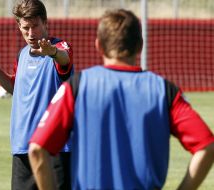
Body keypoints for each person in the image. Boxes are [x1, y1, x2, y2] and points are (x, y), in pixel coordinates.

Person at [28, 9, 214, 190]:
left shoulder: (76, 87)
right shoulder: (164, 90)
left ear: (98, 45)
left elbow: (37, 150)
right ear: (140, 46)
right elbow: (207, 146)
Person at [0, 0, 73, 189]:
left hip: (55, 148)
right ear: (19, 26)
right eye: (25, 27)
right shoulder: (22, 54)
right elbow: (15, 88)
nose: (31, 33)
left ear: (45, 23)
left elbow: (64, 59)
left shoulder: (60, 47)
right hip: (23, 146)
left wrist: (52, 52)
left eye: (35, 26)